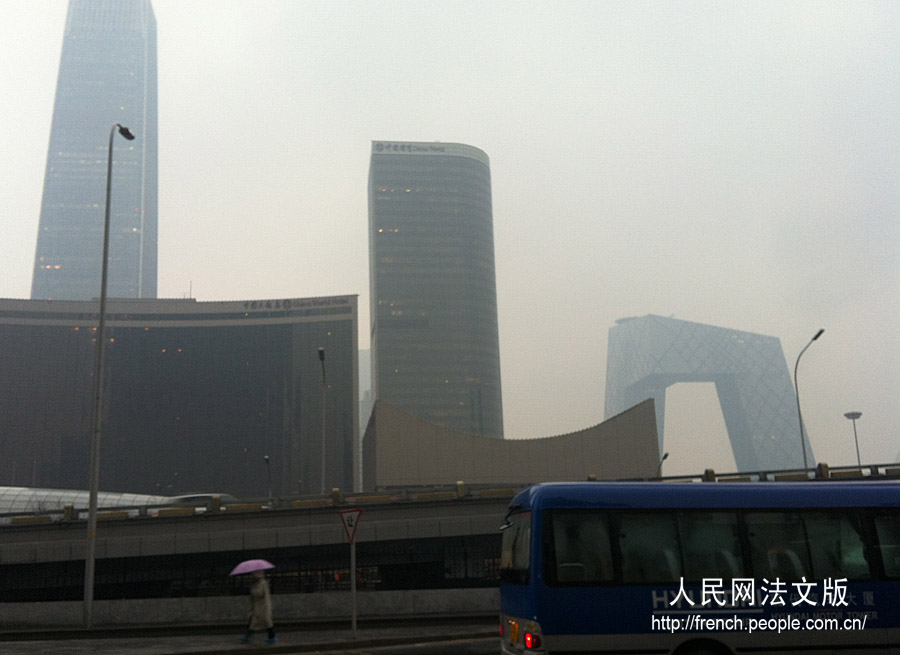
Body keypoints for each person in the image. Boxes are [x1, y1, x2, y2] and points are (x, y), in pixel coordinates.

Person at [239, 570, 276, 643]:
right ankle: (248, 637)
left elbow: (260, 593)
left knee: (265, 622)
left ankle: (271, 637)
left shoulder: (262, 583)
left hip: (262, 606)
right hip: (258, 606)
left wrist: (252, 590)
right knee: (254, 622)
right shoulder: (258, 583)